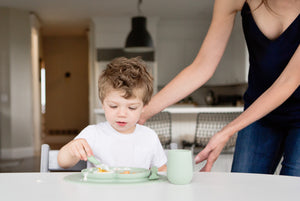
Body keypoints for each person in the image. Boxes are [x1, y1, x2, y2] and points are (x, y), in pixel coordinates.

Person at [139, 0, 300, 176]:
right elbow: (202, 67)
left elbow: (288, 81)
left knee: (293, 192)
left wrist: (227, 131)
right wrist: (143, 112)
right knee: (243, 191)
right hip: (258, 114)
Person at [58, 57, 167, 171]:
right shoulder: (93, 134)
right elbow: (62, 162)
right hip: (100, 189)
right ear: (103, 104)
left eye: (132, 107)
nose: (122, 114)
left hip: (138, 189)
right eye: (113, 106)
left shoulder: (149, 137)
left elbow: (161, 170)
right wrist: (71, 149)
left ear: (143, 107)